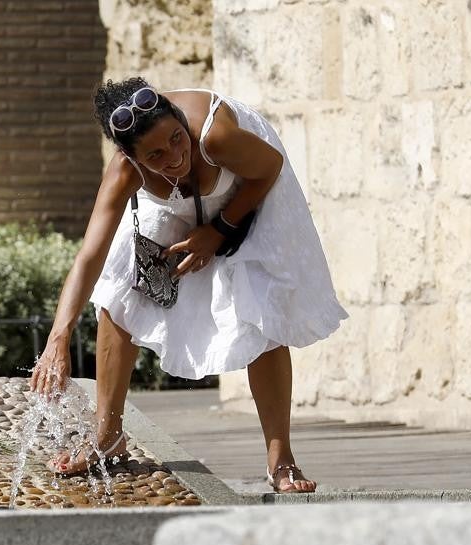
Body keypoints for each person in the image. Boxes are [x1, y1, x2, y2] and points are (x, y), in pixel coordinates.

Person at [27, 77, 347, 493]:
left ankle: (281, 460)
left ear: (180, 120)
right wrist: (58, 337)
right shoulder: (125, 172)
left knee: (258, 308)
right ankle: (107, 436)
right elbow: (89, 256)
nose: (175, 156)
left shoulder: (215, 136)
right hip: (179, 199)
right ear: (131, 158)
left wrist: (217, 232)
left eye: (177, 139)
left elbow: (269, 168)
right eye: (155, 155)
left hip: (250, 184)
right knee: (119, 287)